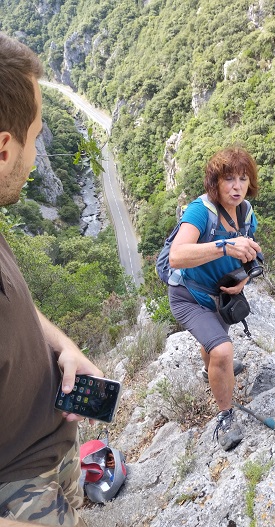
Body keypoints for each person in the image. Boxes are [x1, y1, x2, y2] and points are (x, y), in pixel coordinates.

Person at [0, 33, 104, 527]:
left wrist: (62, 346)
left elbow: (15, 307)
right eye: (36, 137)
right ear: (4, 148)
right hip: (21, 495)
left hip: (53, 455)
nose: (37, 156)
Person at [167, 146, 262, 451]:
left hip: (221, 297)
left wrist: (245, 277)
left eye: (243, 179)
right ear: (215, 183)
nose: (237, 187)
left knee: (216, 350)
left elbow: (252, 251)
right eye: (229, 179)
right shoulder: (200, 211)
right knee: (222, 350)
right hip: (189, 296)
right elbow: (177, 256)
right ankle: (225, 417)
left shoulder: (246, 212)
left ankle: (213, 370)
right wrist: (225, 246)